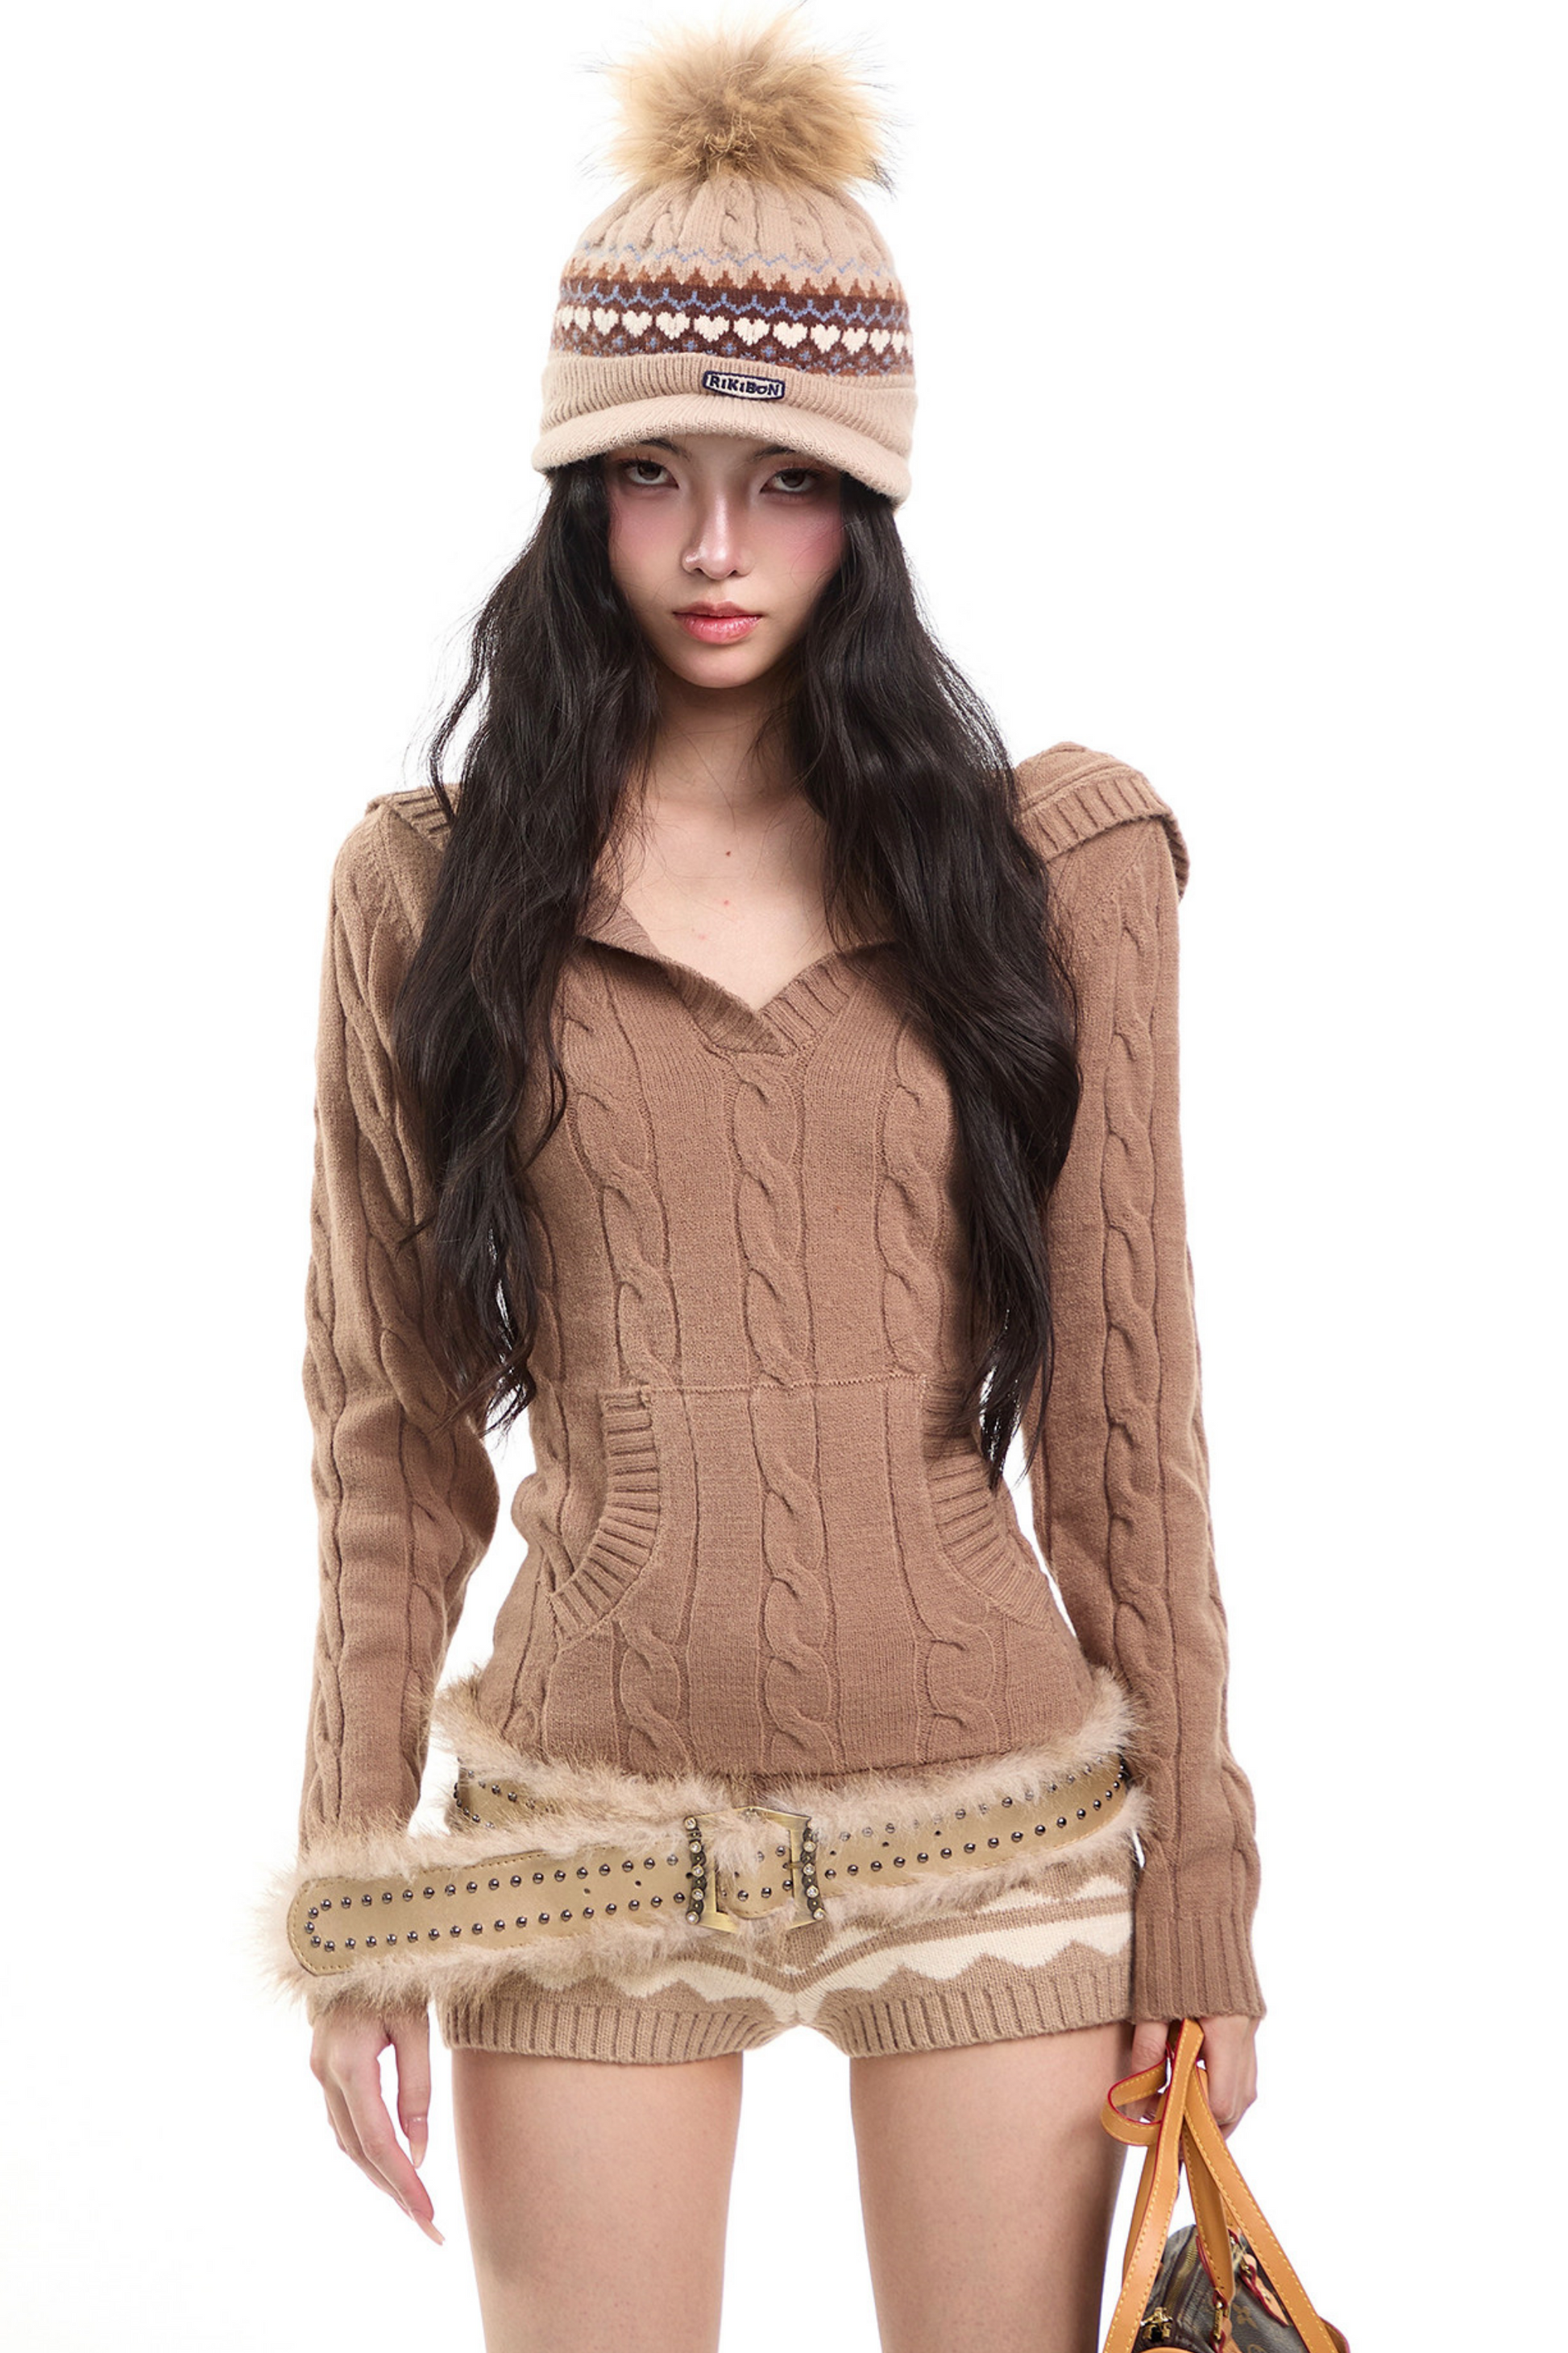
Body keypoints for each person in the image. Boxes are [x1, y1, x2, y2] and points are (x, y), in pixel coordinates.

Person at [262, 16, 1264, 2351]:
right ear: (573, 490)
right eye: (653, 472)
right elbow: (389, 1445)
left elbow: (1127, 1432)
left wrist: (1203, 1906)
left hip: (996, 1816)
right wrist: (354, 1899)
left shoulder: (1053, 869)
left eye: (787, 478)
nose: (717, 547)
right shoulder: (427, 893)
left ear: (869, 502)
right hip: (583, 1822)